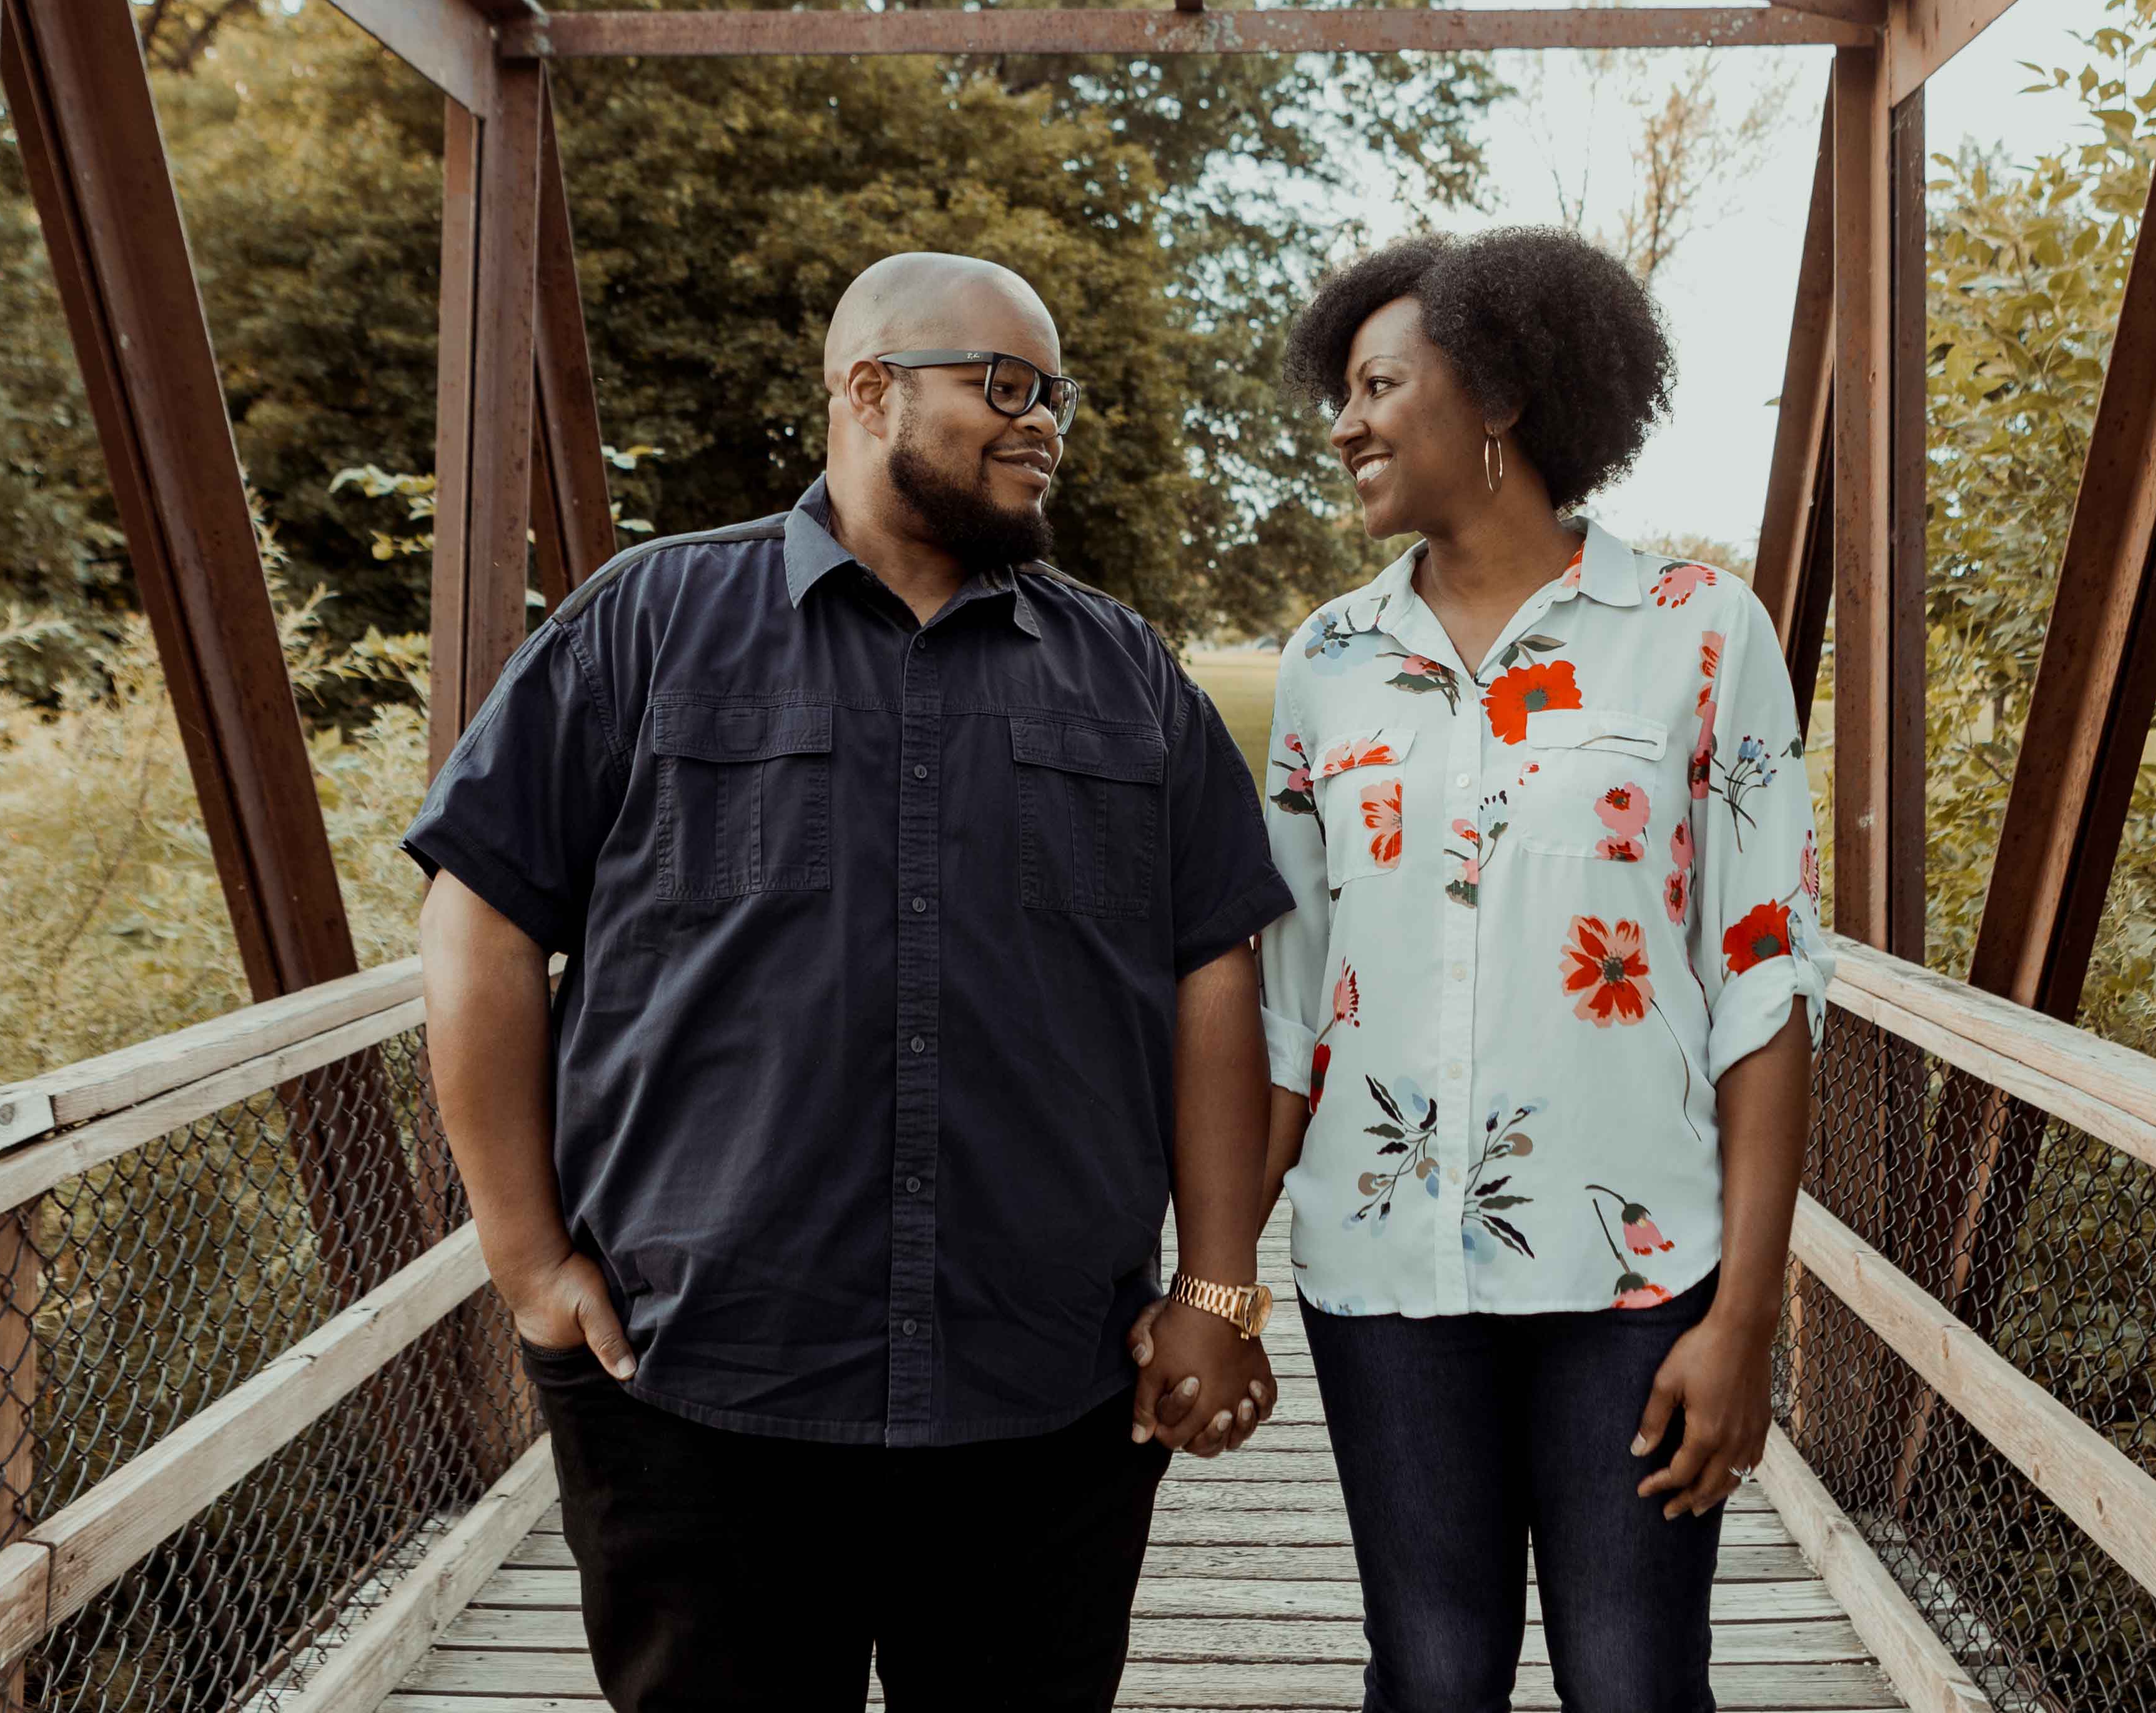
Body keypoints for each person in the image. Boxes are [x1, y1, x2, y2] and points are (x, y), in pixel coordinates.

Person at [406, 252, 1294, 1713]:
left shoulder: (1125, 673)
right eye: (1003, 385)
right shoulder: (646, 623)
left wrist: (1219, 1284)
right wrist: (525, 1259)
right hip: (699, 1382)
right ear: (869, 389)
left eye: (1057, 393)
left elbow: (1215, 969)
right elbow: (480, 921)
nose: (1044, 423)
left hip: (1044, 1390)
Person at [1252, 230, 1827, 1713]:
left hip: (1635, 1275)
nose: (1347, 421)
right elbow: (1289, 1005)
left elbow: (1764, 984)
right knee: (1433, 1679)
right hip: (1382, 1269)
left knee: (1635, 1683)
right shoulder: (1329, 662)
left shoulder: (1699, 633)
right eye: (1345, 389)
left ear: (1497, 391)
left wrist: (1746, 1314)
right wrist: (1210, 1279)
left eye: (1381, 385)